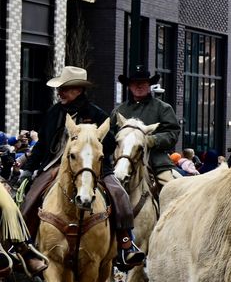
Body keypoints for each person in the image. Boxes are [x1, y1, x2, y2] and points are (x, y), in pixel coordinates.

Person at [19, 66, 144, 269]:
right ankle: (26, 247)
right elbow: (42, 145)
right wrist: (28, 169)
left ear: (78, 90)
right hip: (54, 165)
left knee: (119, 195)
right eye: (60, 89)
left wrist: (92, 146)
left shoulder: (97, 114)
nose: (60, 93)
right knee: (31, 197)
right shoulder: (53, 112)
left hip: (92, 168)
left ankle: (126, 244)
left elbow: (111, 144)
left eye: (65, 89)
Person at [113, 65, 181, 187]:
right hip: (122, 159)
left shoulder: (163, 108)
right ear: (129, 86)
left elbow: (172, 133)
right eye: (135, 83)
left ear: (149, 85)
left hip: (155, 160)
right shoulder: (119, 111)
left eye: (143, 83)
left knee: (171, 187)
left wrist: (152, 140)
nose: (139, 86)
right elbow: (110, 134)